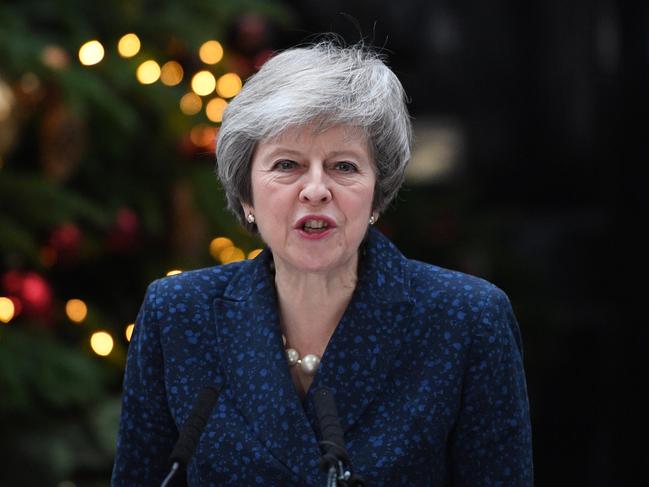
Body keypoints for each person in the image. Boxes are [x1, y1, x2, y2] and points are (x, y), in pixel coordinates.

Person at [112, 40, 533, 486]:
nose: (316, 189)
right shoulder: (177, 313)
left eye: (344, 167)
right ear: (246, 194)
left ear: (377, 192)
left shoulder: (467, 320)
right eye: (288, 164)